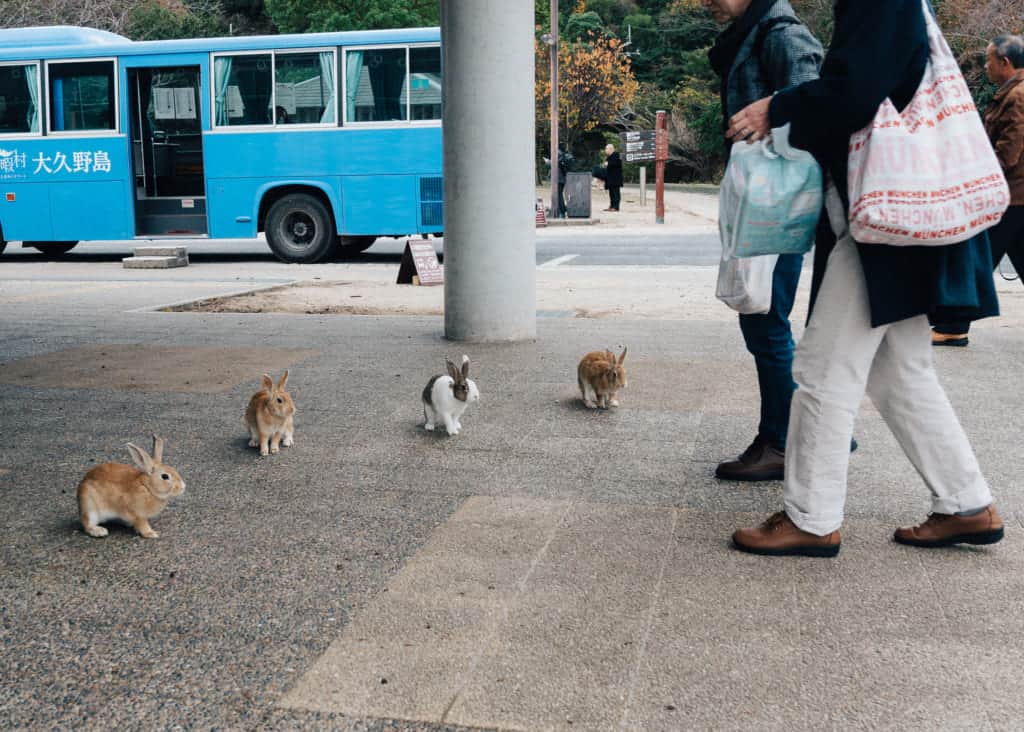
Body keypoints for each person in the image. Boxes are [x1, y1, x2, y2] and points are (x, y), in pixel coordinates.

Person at [727, 0, 1004, 557]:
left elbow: (857, 93)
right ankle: (967, 503)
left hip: (882, 221)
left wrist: (777, 107)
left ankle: (811, 517)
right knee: (900, 370)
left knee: (823, 370)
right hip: (894, 221)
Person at [704, 0, 824, 482]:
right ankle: (798, 428)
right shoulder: (752, 31)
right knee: (762, 318)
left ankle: (783, 438)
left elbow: (815, 95)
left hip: (777, 198)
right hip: (763, 194)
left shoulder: (778, 31)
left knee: (766, 319)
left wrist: (774, 111)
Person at [931, 34, 1024, 347]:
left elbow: (1008, 154)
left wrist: (975, 178)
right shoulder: (1013, 92)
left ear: (1005, 62)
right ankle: (951, 322)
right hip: (1016, 197)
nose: (986, 66)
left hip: (1011, 196)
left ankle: (953, 326)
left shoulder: (1018, 96)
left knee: (973, 259)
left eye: (989, 60)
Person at [602, 143, 622, 212]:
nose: (605, 150)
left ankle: (616, 207)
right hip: (610, 178)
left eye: (606, 149)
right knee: (611, 193)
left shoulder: (616, 155)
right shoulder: (609, 156)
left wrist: (608, 164)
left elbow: (617, 164)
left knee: (616, 193)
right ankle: (611, 206)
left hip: (615, 178)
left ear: (611, 149)